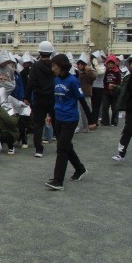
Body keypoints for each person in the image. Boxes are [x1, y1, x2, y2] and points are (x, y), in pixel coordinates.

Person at [45, 54, 96, 191]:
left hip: (70, 119)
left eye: (54, 66)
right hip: (58, 118)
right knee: (67, 146)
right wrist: (50, 115)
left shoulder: (73, 81)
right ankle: (80, 169)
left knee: (61, 148)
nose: (53, 68)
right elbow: (54, 99)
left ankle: (58, 181)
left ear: (62, 66)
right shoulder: (56, 80)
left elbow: (82, 101)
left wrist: (91, 121)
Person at [25, 41, 56, 158]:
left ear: (40, 52)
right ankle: (61, 146)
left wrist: (27, 97)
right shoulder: (54, 65)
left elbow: (30, 83)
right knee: (56, 122)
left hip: (39, 98)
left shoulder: (36, 66)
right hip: (53, 97)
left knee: (38, 124)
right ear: (51, 53)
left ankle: (39, 149)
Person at [112, 55, 132, 162]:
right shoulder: (129, 77)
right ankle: (121, 153)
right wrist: (116, 88)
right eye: (131, 63)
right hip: (131, 109)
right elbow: (124, 91)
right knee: (127, 130)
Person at [76, 53, 96, 133]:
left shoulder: (89, 73)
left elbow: (94, 77)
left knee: (86, 111)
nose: (80, 66)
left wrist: (89, 70)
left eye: (81, 64)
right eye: (79, 64)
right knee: (78, 112)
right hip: (78, 94)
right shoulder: (77, 72)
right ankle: (79, 127)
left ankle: (87, 126)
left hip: (86, 94)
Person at [101, 54, 122, 127]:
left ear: (114, 63)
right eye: (108, 63)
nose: (109, 64)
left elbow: (119, 83)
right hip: (106, 92)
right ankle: (105, 122)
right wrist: (106, 87)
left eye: (111, 63)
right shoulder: (106, 71)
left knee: (114, 107)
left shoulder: (117, 72)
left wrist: (114, 86)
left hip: (114, 92)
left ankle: (114, 122)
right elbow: (104, 81)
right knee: (105, 106)